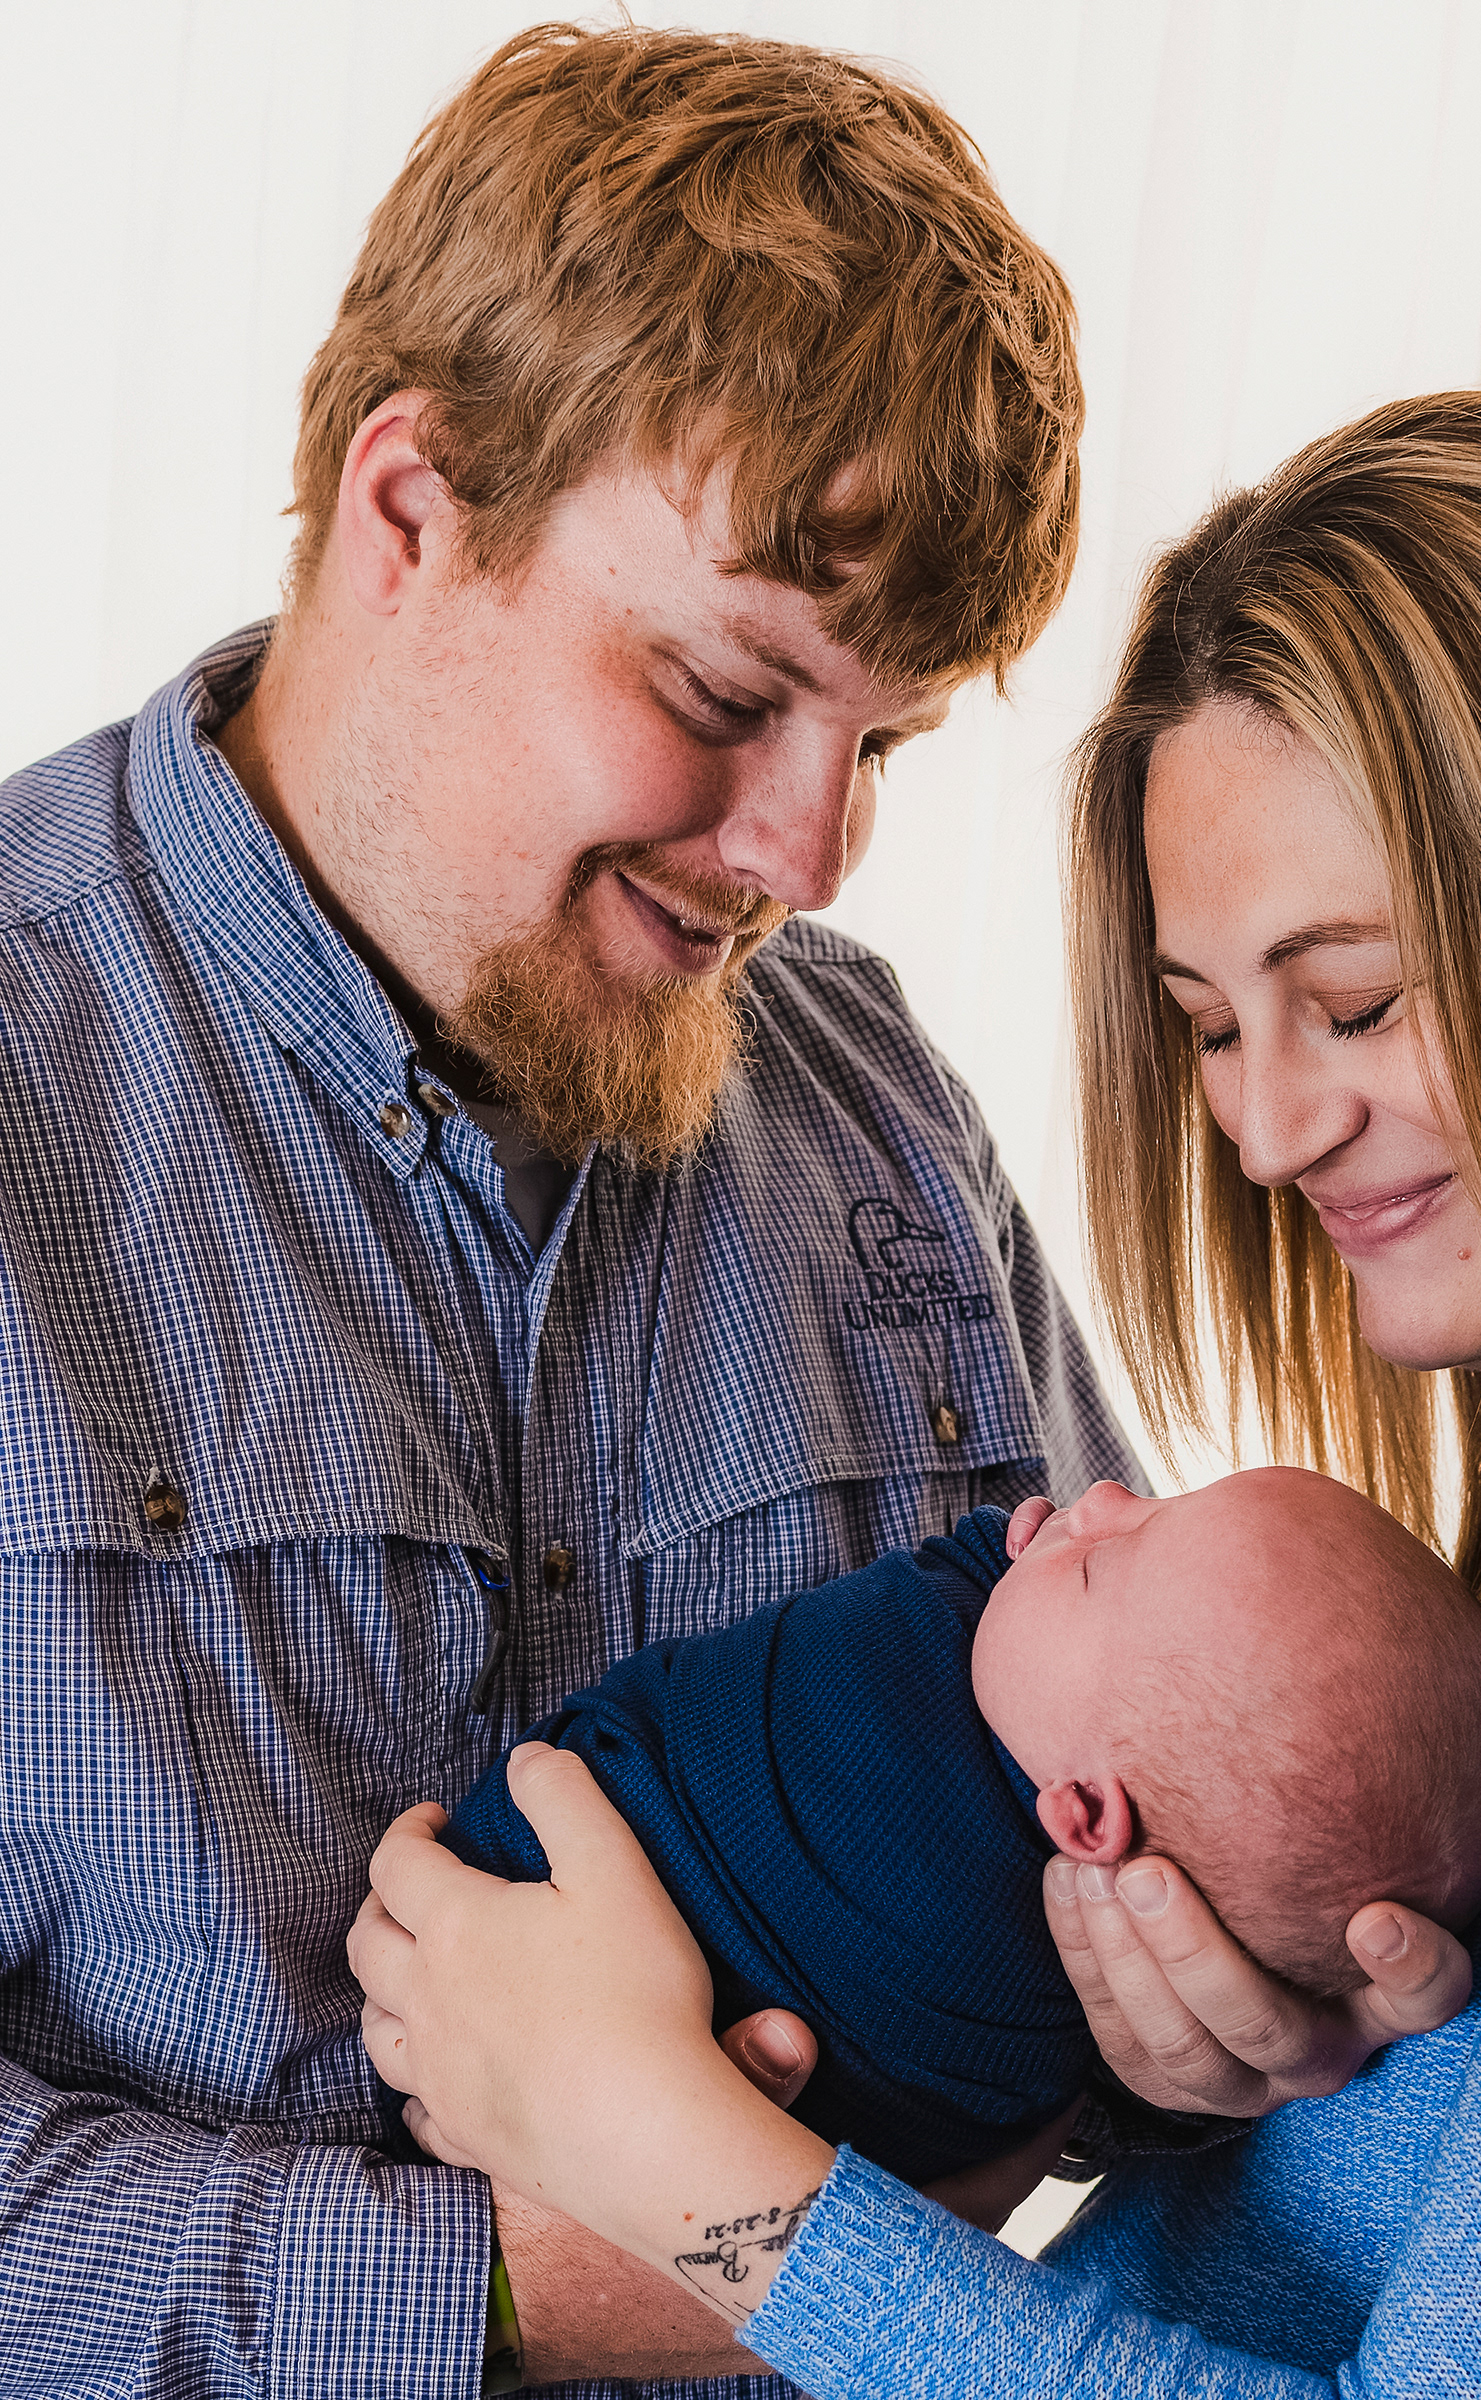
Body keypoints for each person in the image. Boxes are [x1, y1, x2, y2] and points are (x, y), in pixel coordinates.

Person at [354, 391, 1481, 2396]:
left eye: (1353, 1001)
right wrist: (1153, 2086)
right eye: (1211, 1029)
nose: (1265, 1131)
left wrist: (668, 2160)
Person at [0, 22, 1216, 2397]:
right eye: (725, 691)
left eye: (881, 744)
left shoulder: (874, 1108)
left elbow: (1135, 1823)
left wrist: (1200, 2019)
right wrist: (526, 2282)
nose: (808, 855)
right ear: (409, 512)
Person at [437, 1471, 1481, 2182]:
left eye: (1100, 1561)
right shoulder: (1093, 1698)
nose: (1102, 1492)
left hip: (496, 1934)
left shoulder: (917, 1715)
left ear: (1083, 1817)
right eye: (1159, 1499)